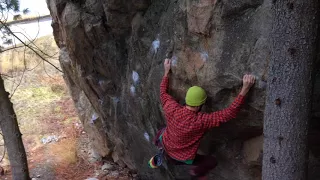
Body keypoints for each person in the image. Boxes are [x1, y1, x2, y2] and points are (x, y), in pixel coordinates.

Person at [159, 58, 255, 180]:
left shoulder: (171, 108)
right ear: (200, 105)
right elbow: (229, 113)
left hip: (167, 145)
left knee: (162, 131)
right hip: (181, 158)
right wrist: (245, 89)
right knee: (211, 162)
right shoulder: (201, 121)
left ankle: (160, 149)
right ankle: (196, 173)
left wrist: (166, 71)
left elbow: (163, 93)